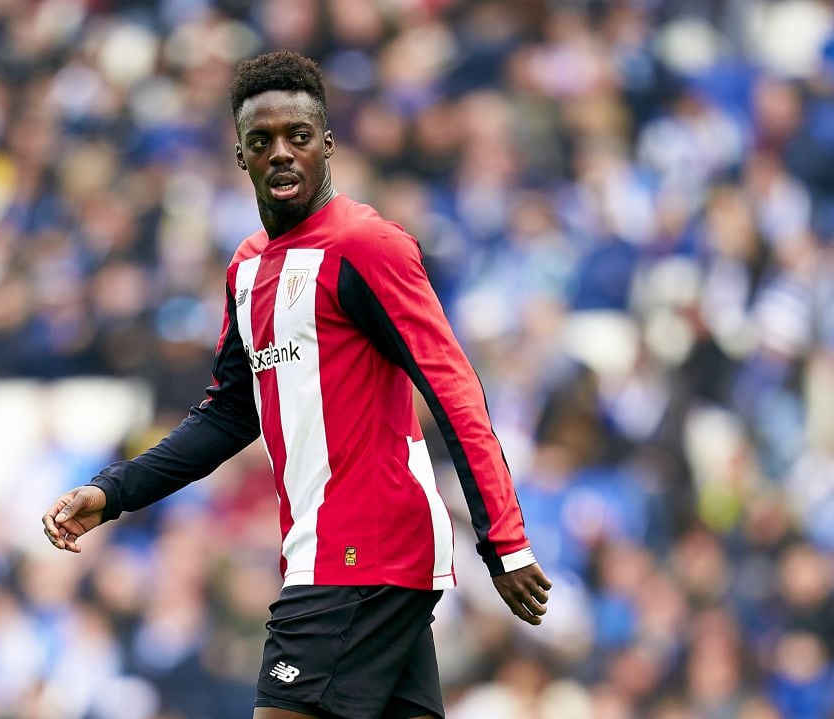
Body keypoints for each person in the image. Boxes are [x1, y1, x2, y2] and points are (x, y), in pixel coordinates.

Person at [42, 50, 552, 719]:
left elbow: (453, 387)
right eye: (262, 141)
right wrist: (113, 490)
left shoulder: (369, 246)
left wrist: (504, 539)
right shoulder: (247, 268)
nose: (281, 153)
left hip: (367, 542)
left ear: (328, 145)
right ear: (240, 157)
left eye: (298, 137)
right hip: (328, 546)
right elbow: (227, 415)